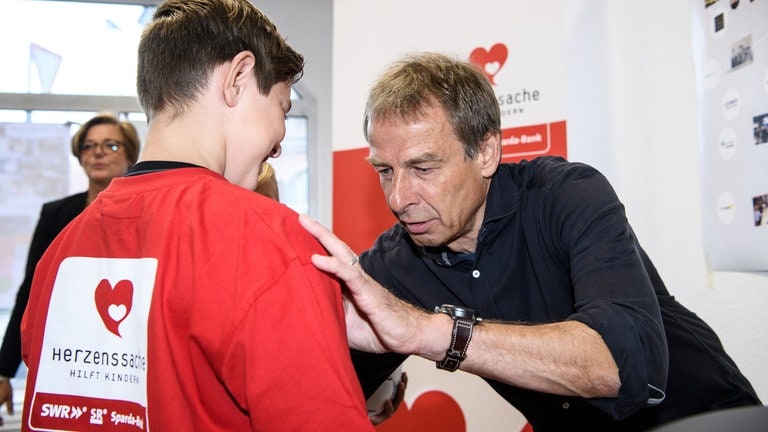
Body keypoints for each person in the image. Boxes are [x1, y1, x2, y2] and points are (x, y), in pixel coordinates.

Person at [298, 52, 762, 431]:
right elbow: (317, 392)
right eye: (384, 171)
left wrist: (432, 332)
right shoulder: (393, 264)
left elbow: (623, 362)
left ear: (485, 152)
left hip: (706, 418)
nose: (399, 198)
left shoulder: (565, 195)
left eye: (423, 168)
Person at [20, 1, 373, 431]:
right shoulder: (274, 243)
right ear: (238, 78)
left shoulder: (61, 253)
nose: (278, 144)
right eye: (281, 109)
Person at [0, 113, 140, 425]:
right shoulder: (56, 214)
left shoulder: (145, 213)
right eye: (88, 146)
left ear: (131, 154)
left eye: (111, 146)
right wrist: (4, 369)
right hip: (66, 355)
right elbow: (30, 290)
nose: (98, 153)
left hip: (126, 355)